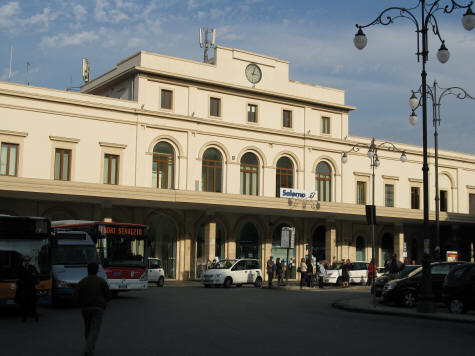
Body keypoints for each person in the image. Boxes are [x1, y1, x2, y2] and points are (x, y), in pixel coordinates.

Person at [73, 262, 112, 356]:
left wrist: (79, 304)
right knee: (94, 329)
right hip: (98, 308)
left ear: (87, 270)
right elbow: (108, 296)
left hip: (85, 308)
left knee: (87, 328)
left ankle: (89, 346)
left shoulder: (82, 281)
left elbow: (75, 296)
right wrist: (104, 302)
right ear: (97, 270)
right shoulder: (101, 281)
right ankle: (89, 349)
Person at [15, 255, 39, 322]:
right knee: (23, 304)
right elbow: (18, 275)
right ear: (23, 261)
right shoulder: (19, 268)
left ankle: (35, 317)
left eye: (28, 260)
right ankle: (24, 318)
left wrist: (33, 277)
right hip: (23, 289)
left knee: (32, 304)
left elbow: (37, 275)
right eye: (25, 261)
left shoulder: (32, 267)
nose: (27, 262)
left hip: (31, 289)